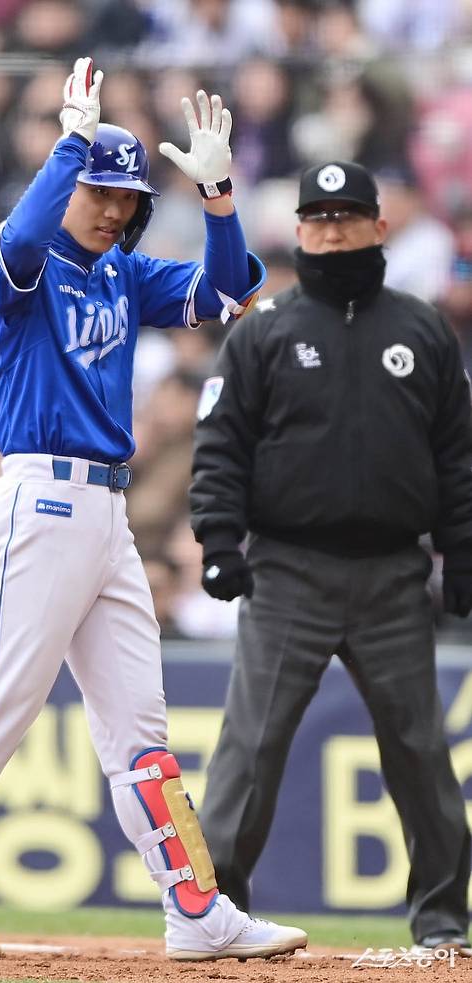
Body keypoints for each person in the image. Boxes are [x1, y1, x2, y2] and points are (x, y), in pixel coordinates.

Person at [0, 57, 307, 962]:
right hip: (40, 498)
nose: (113, 209)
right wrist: (71, 144)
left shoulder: (121, 274)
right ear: (71, 184)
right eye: (100, 192)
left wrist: (221, 195)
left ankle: (195, 908)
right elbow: (27, 235)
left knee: (140, 728)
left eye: (125, 196)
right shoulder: (15, 269)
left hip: (106, 516)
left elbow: (228, 293)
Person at [190, 159, 472, 955]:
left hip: (393, 574)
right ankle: (214, 912)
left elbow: (456, 455)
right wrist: (219, 539)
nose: (333, 230)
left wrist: (463, 551)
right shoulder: (266, 329)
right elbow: (221, 445)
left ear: (380, 227)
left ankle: (444, 919)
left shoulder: (422, 330)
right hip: (288, 572)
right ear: (300, 230)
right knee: (251, 747)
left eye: (348, 216)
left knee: (419, 750)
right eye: (318, 218)